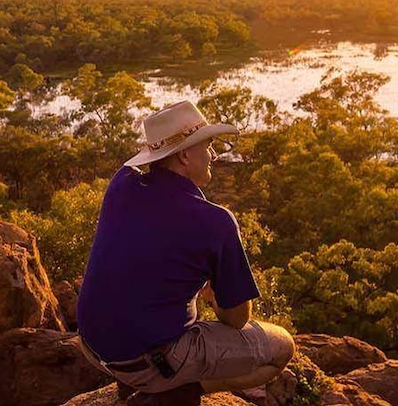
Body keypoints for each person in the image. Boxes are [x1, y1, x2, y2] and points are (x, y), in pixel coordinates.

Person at [77, 100, 295, 405]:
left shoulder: (120, 184)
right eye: (207, 146)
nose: (214, 155)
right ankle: (171, 393)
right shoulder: (215, 221)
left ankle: (140, 382)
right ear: (184, 155)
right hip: (149, 360)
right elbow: (236, 319)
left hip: (93, 346)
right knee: (281, 348)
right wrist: (214, 297)